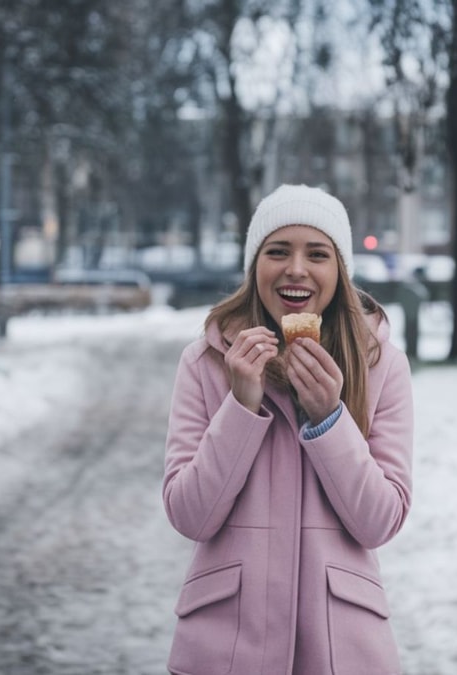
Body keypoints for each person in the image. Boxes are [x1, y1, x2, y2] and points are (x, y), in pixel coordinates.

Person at [162, 184, 414, 675]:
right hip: (227, 650)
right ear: (255, 264)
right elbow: (190, 515)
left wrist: (330, 419)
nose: (296, 268)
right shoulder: (205, 363)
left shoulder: (382, 365)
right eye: (278, 251)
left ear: (339, 273)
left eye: (317, 254)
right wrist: (240, 406)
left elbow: (380, 521)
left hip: (341, 653)